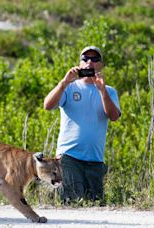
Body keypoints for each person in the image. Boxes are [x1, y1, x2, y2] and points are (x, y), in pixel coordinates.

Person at [43, 46, 121, 203]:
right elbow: (48, 105)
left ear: (101, 65)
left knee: (95, 203)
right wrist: (64, 82)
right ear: (79, 63)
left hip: (95, 159)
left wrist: (102, 90)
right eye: (85, 59)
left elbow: (113, 116)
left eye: (94, 59)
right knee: (72, 200)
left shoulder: (109, 91)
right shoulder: (69, 87)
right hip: (69, 156)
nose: (89, 62)